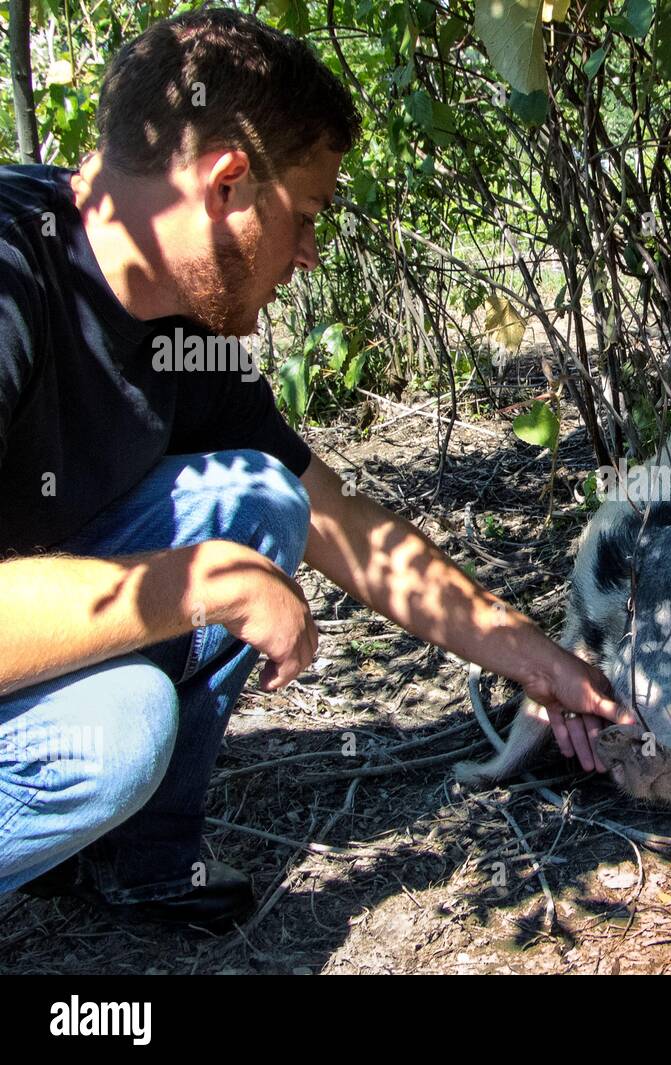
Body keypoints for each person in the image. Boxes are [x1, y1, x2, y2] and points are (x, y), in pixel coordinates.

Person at [0, 8, 624, 931]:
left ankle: (136, 862)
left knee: (258, 498)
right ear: (228, 183)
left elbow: (334, 518)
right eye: (307, 215)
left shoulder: (174, 316)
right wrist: (198, 582)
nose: (308, 256)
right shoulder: (13, 280)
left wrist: (541, 663)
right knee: (115, 734)